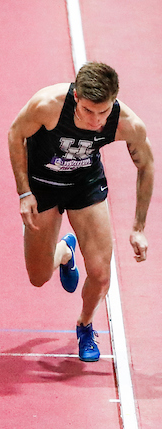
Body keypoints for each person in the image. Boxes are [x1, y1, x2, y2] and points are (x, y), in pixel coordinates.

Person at [8, 61, 153, 362]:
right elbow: (15, 134)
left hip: (84, 185)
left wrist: (138, 227)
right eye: (88, 111)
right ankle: (64, 253)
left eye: (103, 112)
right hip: (42, 185)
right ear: (76, 96)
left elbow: (146, 165)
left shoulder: (127, 123)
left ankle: (85, 326)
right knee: (38, 277)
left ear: (114, 101)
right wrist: (24, 192)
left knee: (100, 274)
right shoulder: (48, 105)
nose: (95, 121)